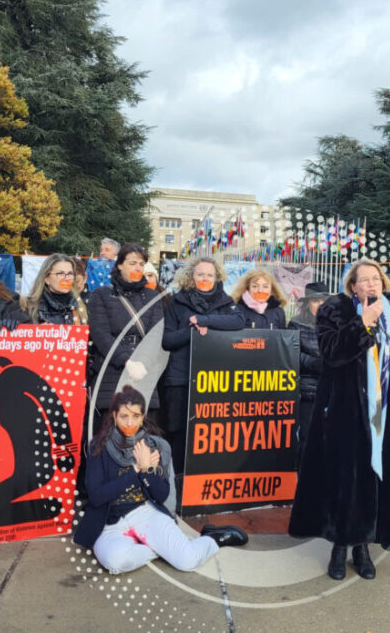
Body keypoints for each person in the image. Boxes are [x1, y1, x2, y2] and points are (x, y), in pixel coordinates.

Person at [289, 259, 390, 581]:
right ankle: (339, 546)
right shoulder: (335, 311)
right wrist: (362, 324)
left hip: (382, 412)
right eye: (365, 280)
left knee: (375, 481)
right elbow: (331, 354)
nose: (372, 284)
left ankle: (363, 546)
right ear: (353, 286)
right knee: (346, 480)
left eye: (376, 279)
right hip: (345, 410)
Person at [73, 386, 247, 575]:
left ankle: (212, 539)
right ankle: (161, 548)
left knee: (187, 562)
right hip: (110, 521)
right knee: (116, 563)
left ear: (143, 417)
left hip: (145, 513)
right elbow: (97, 496)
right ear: (114, 416)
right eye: (124, 416)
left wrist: (148, 470)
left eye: (135, 416)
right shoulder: (98, 447)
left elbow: (162, 494)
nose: (129, 422)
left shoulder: (155, 445)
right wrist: (137, 469)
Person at [161, 258, 242, 492]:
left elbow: (237, 321)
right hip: (180, 378)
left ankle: (200, 488)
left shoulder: (225, 301)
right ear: (191, 276)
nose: (205, 279)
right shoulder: (177, 302)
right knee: (177, 433)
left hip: (211, 381)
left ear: (217, 277)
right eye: (200, 274)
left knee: (205, 435)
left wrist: (206, 320)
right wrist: (193, 330)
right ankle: (174, 487)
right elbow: (167, 340)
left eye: (209, 275)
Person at [87, 244, 164, 417]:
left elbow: (156, 334)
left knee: (144, 427)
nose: (138, 267)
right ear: (120, 265)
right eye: (132, 263)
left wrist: (143, 362)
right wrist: (127, 361)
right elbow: (100, 333)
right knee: (110, 428)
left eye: (141, 264)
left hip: (144, 369)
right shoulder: (101, 295)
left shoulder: (152, 296)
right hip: (113, 367)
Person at [287, 281, 329, 456]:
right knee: (307, 437)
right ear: (307, 303)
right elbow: (291, 353)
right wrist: (314, 364)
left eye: (323, 301)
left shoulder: (336, 322)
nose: (320, 305)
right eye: (315, 301)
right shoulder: (296, 323)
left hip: (333, 388)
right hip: (308, 389)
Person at [21, 253, 88, 325]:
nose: (66, 278)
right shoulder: (28, 307)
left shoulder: (80, 307)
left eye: (70, 273)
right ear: (46, 278)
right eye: (60, 273)